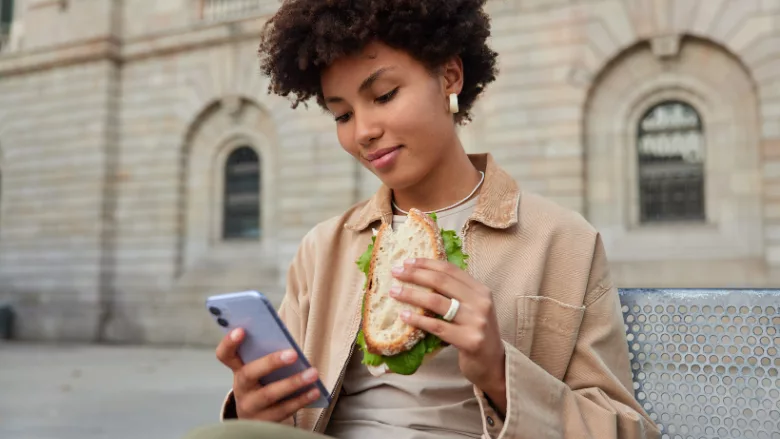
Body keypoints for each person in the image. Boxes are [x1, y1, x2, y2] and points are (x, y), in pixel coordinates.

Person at [183, 0, 661, 438]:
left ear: (450, 75)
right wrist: (254, 407)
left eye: (385, 95)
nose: (365, 132)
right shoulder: (322, 248)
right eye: (342, 115)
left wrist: (500, 371)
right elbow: (293, 412)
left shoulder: (562, 241)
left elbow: (624, 430)